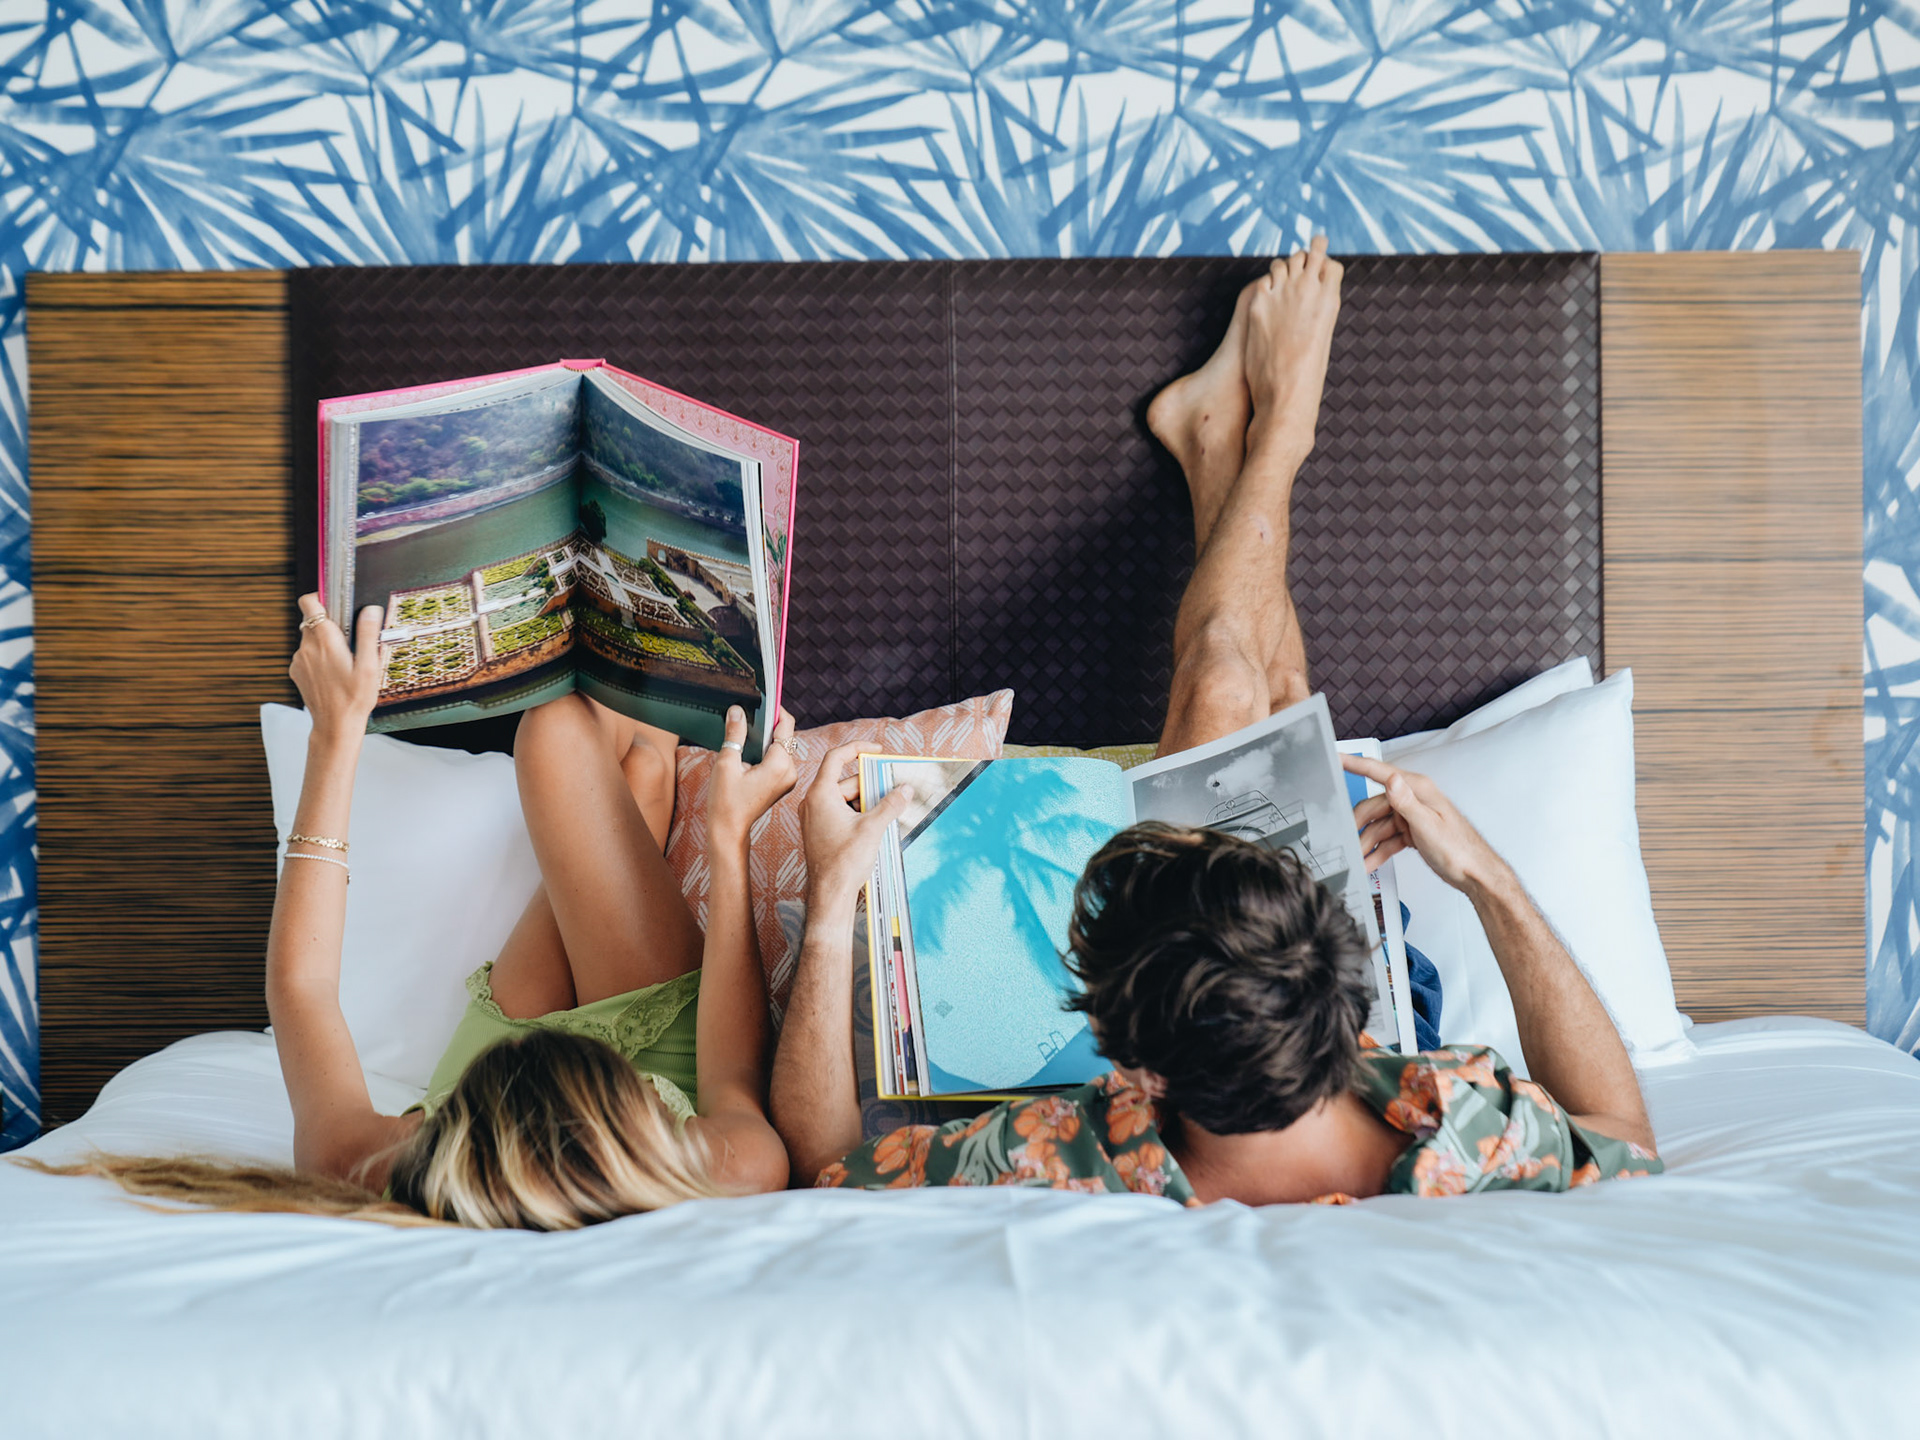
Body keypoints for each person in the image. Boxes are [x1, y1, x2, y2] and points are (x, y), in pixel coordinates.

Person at [772, 237, 1663, 1205]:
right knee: (1263, 702)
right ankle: (1254, 444)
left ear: (1136, 1072)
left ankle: (1252, 445)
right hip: (1339, 1044)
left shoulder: (1078, 1161)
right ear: (1336, 985)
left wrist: (829, 911)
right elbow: (1625, 1135)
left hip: (1244, 1035)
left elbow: (826, 1168)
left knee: (1235, 699)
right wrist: (1489, 877)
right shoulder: (1461, 1130)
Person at [39, 599, 796, 1227]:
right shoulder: (732, 1164)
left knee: (567, 731)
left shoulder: (379, 1160)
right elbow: (730, 1072)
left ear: (440, 1124)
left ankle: (642, 767)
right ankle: (648, 760)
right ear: (650, 1123)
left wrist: (335, 739)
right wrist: (726, 841)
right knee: (585, 737)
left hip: (503, 1089)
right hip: (653, 1049)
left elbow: (302, 987)